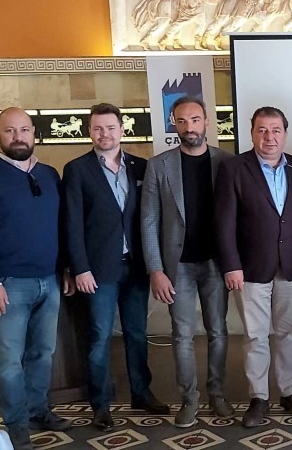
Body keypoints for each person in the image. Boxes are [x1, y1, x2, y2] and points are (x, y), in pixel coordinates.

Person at [0, 107, 69, 450]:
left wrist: (65, 268)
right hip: (8, 284)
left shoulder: (49, 174)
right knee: (8, 362)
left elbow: (60, 227)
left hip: (49, 280)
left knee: (43, 353)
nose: (18, 137)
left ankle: (38, 410)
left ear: (34, 132)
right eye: (10, 130)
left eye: (24, 129)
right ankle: (16, 425)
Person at [62, 103, 168, 431]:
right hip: (97, 271)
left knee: (137, 334)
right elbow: (72, 223)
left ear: (122, 129)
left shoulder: (141, 166)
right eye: (97, 128)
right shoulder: (77, 169)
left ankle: (141, 393)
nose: (104, 134)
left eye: (110, 127)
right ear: (89, 132)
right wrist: (79, 268)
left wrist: (156, 265)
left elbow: (151, 218)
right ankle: (100, 404)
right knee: (99, 337)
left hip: (135, 267)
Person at [216, 107, 292, 428]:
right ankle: (259, 397)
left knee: (289, 333)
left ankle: (289, 391)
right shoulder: (234, 168)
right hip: (250, 268)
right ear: (252, 133)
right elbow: (224, 222)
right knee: (256, 336)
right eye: (262, 130)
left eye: (275, 130)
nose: (269, 137)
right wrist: (231, 265)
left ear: (285, 133)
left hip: (291, 266)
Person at [141, 96, 234, 427]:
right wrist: (156, 269)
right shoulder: (159, 165)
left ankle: (217, 393)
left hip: (215, 263)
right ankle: (189, 399)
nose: (189, 127)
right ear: (174, 125)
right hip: (176, 265)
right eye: (182, 121)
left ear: (207, 122)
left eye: (195, 120)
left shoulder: (226, 162)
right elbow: (149, 220)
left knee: (218, 331)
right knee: (181, 334)